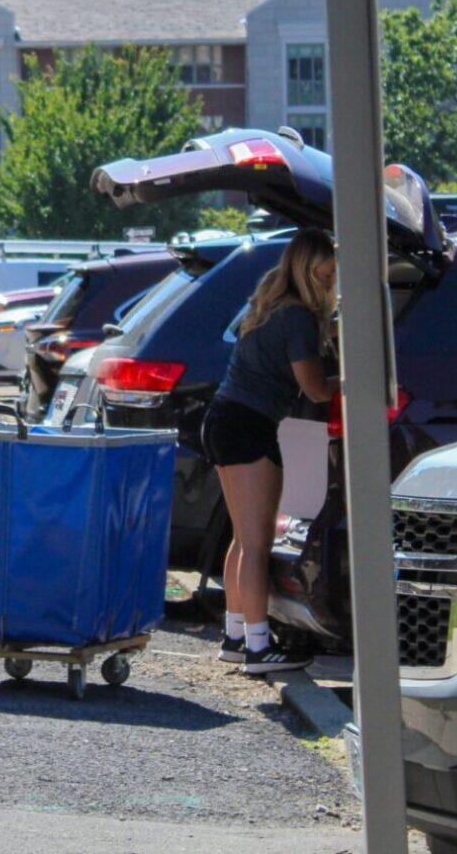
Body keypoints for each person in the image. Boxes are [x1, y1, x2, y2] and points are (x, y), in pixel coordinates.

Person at [199, 229, 336, 676]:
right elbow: (313, 387)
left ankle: (237, 636)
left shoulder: (269, 306)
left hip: (224, 419)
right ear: (308, 271)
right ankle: (259, 646)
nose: (331, 283)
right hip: (249, 425)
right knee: (257, 543)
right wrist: (352, 382)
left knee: (243, 538)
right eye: (328, 273)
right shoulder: (297, 317)